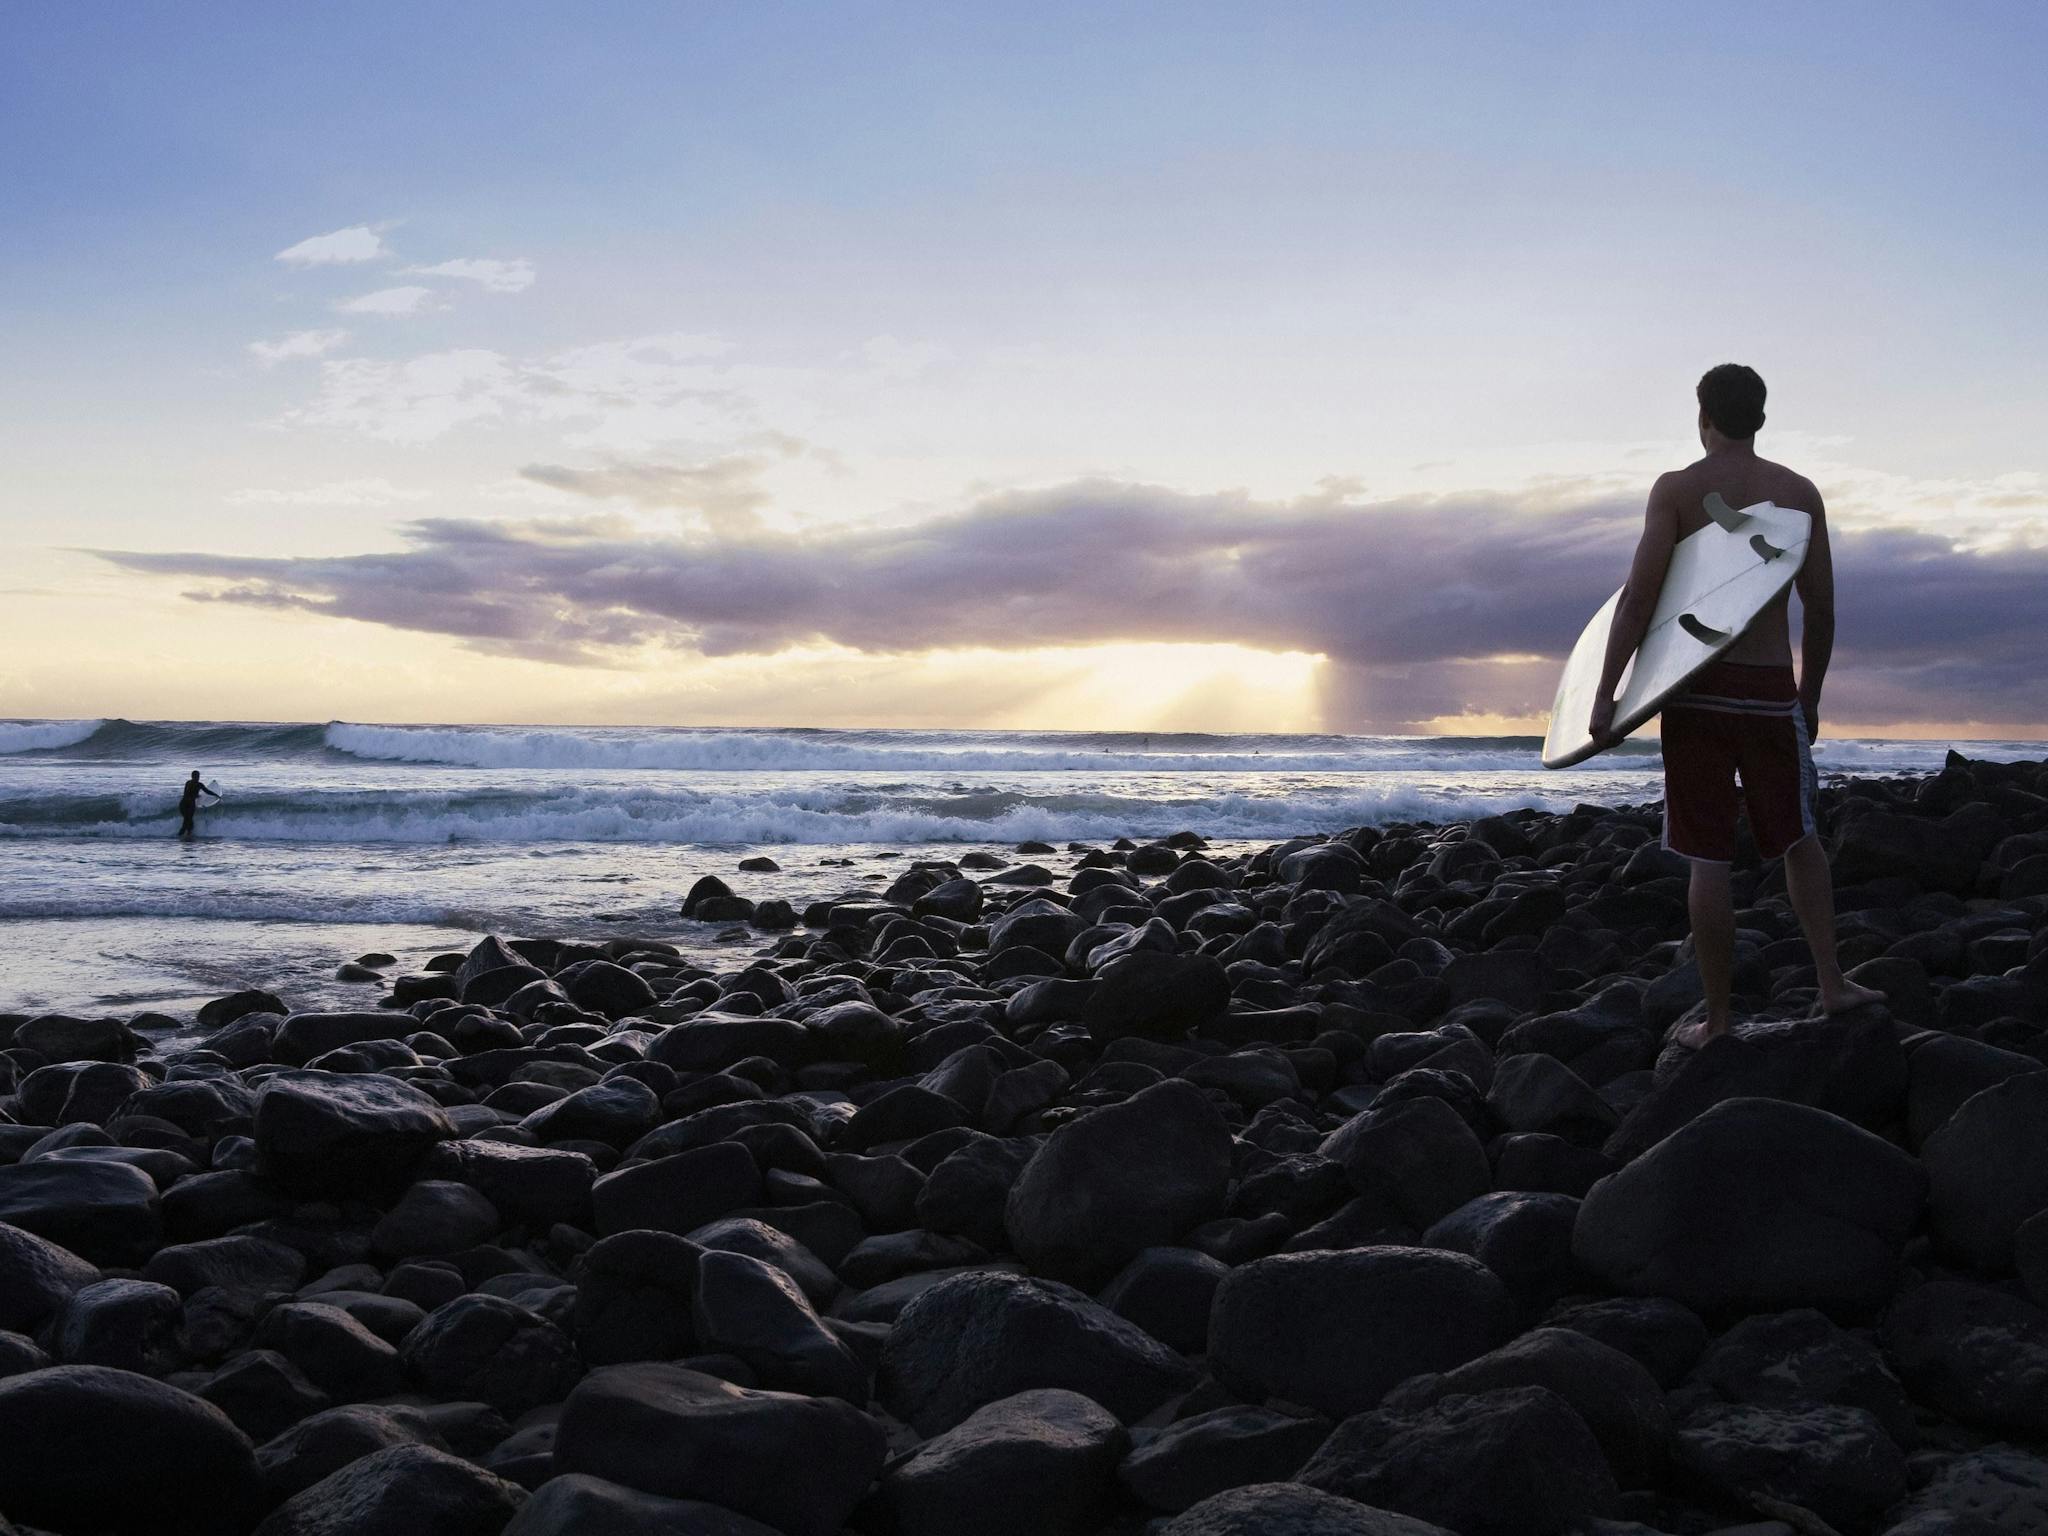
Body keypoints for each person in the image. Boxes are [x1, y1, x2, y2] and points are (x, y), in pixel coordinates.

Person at [1589, 364, 1882, 1048]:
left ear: (1704, 418)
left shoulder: (1680, 491)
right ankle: (1833, 984)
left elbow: (1638, 599)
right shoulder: (1799, 494)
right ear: (1761, 417)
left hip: (1697, 696)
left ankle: (1719, 1022)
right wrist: (1809, 698)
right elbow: (1824, 609)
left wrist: (1605, 694)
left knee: (1709, 857)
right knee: (1799, 840)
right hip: (1769, 688)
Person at [176, 770, 221, 839]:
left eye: (198, 776)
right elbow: (207, 791)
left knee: (188, 821)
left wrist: (195, 795)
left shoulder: (188, 783)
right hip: (189, 804)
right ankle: (181, 837)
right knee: (187, 822)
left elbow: (186, 793)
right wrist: (216, 795)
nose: (198, 778)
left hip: (182, 804)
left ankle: (186, 837)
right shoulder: (199, 784)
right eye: (197, 776)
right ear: (194, 776)